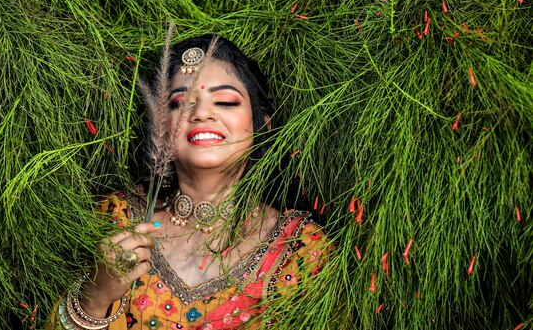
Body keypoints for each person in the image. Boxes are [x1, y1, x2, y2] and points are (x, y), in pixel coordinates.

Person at [48, 35, 332, 330]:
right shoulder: (115, 218)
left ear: (262, 123)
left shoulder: (299, 249)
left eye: (224, 101)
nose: (201, 114)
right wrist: (95, 296)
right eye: (181, 103)